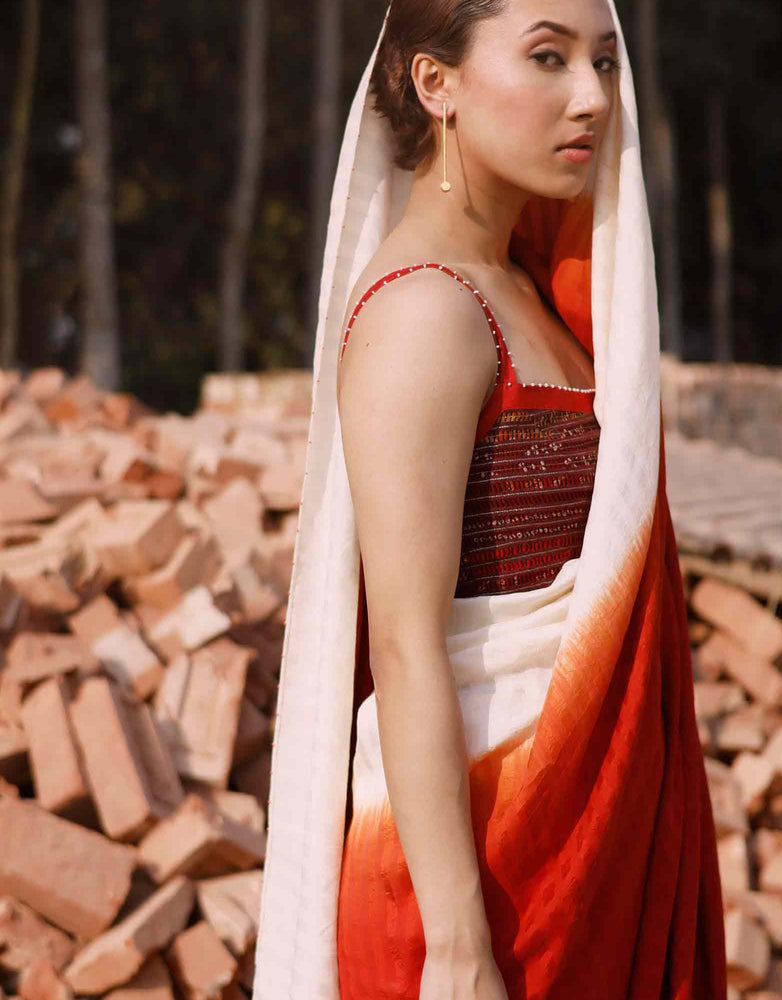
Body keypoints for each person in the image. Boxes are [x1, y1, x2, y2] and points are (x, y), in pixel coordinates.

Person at [252, 1, 727, 998]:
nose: (592, 98)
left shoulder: (526, 291)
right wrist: (460, 943)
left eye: (602, 61)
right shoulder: (427, 310)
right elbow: (406, 645)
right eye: (548, 58)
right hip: (475, 889)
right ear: (437, 85)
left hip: (575, 853)